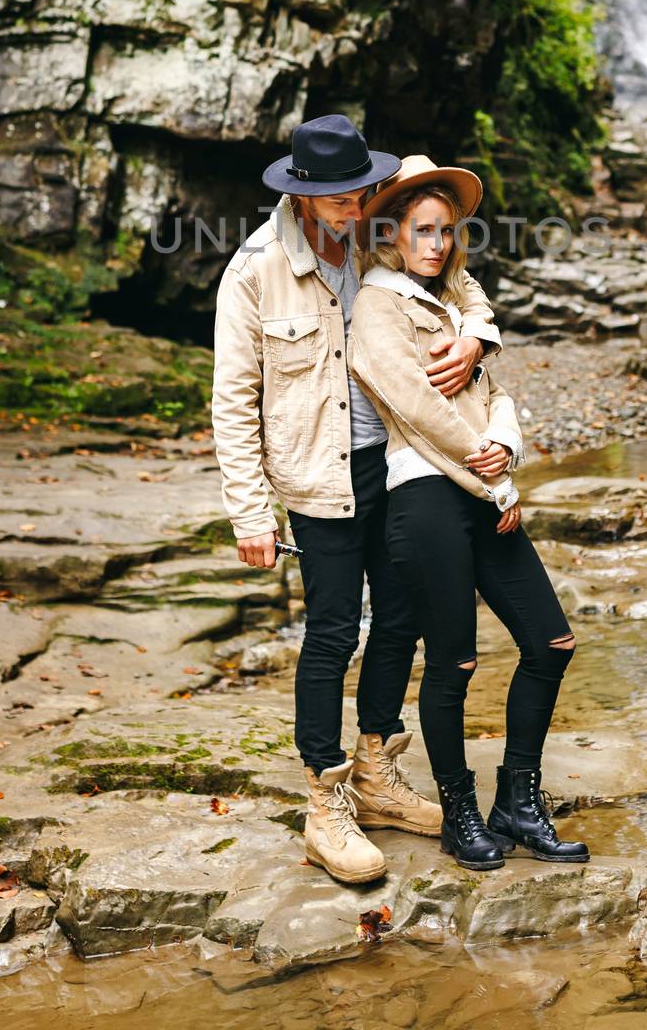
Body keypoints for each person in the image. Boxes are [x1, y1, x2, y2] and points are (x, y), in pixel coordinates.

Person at [211, 115, 505, 884]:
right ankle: (323, 804)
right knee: (333, 632)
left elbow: (460, 279)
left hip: (400, 462)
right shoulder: (255, 270)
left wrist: (476, 333)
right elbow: (233, 400)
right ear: (303, 194)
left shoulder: (380, 230)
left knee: (402, 615)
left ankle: (376, 774)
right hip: (316, 477)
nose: (354, 203)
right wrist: (250, 513)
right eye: (338, 195)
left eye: (359, 188)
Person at [348, 156, 589, 872]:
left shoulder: (453, 301)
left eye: (446, 232)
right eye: (423, 231)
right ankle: (458, 812)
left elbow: (493, 391)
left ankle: (518, 799)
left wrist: (505, 447)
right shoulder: (376, 305)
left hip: (483, 485)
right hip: (424, 494)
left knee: (550, 644)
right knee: (452, 661)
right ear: (391, 235)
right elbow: (413, 407)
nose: (436, 244)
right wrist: (492, 476)